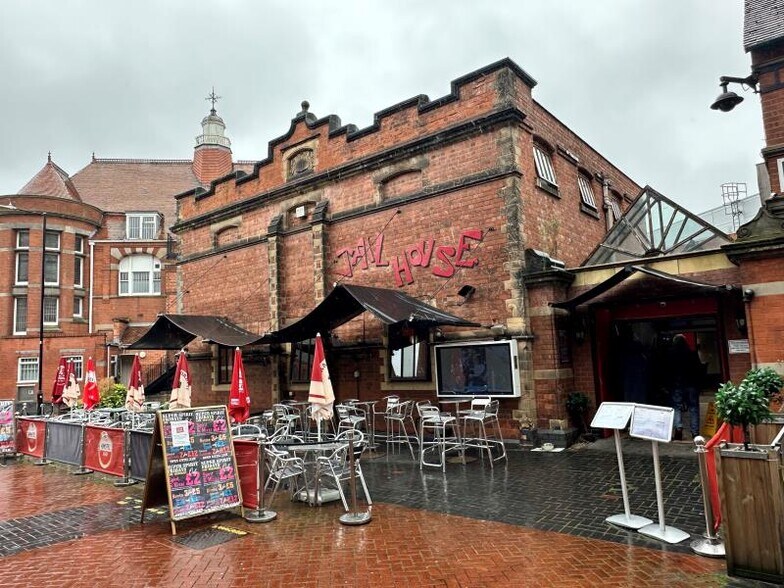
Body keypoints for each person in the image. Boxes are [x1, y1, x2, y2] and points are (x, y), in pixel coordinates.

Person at [666, 334, 703, 440]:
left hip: (676, 385)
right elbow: (699, 370)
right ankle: (695, 432)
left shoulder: (670, 354)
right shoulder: (692, 354)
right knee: (694, 408)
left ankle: (678, 428)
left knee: (676, 407)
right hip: (691, 385)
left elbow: (667, 371)